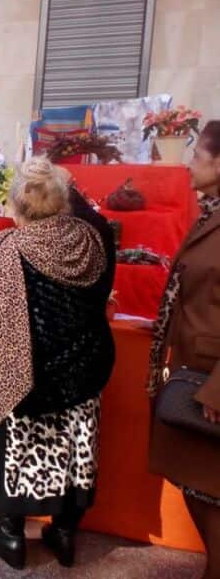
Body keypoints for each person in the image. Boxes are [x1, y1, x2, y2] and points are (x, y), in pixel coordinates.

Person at [0, 158, 114, 570]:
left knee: (15, 448)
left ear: (17, 204)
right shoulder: (91, 240)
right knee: (75, 446)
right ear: (61, 201)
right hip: (82, 370)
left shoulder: (5, 248)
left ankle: (11, 534)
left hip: (24, 377)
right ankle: (64, 531)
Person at [148, 120, 220, 578]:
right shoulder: (209, 213)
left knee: (210, 491)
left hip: (210, 383)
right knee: (199, 488)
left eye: (197, 156)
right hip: (195, 370)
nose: (189, 164)